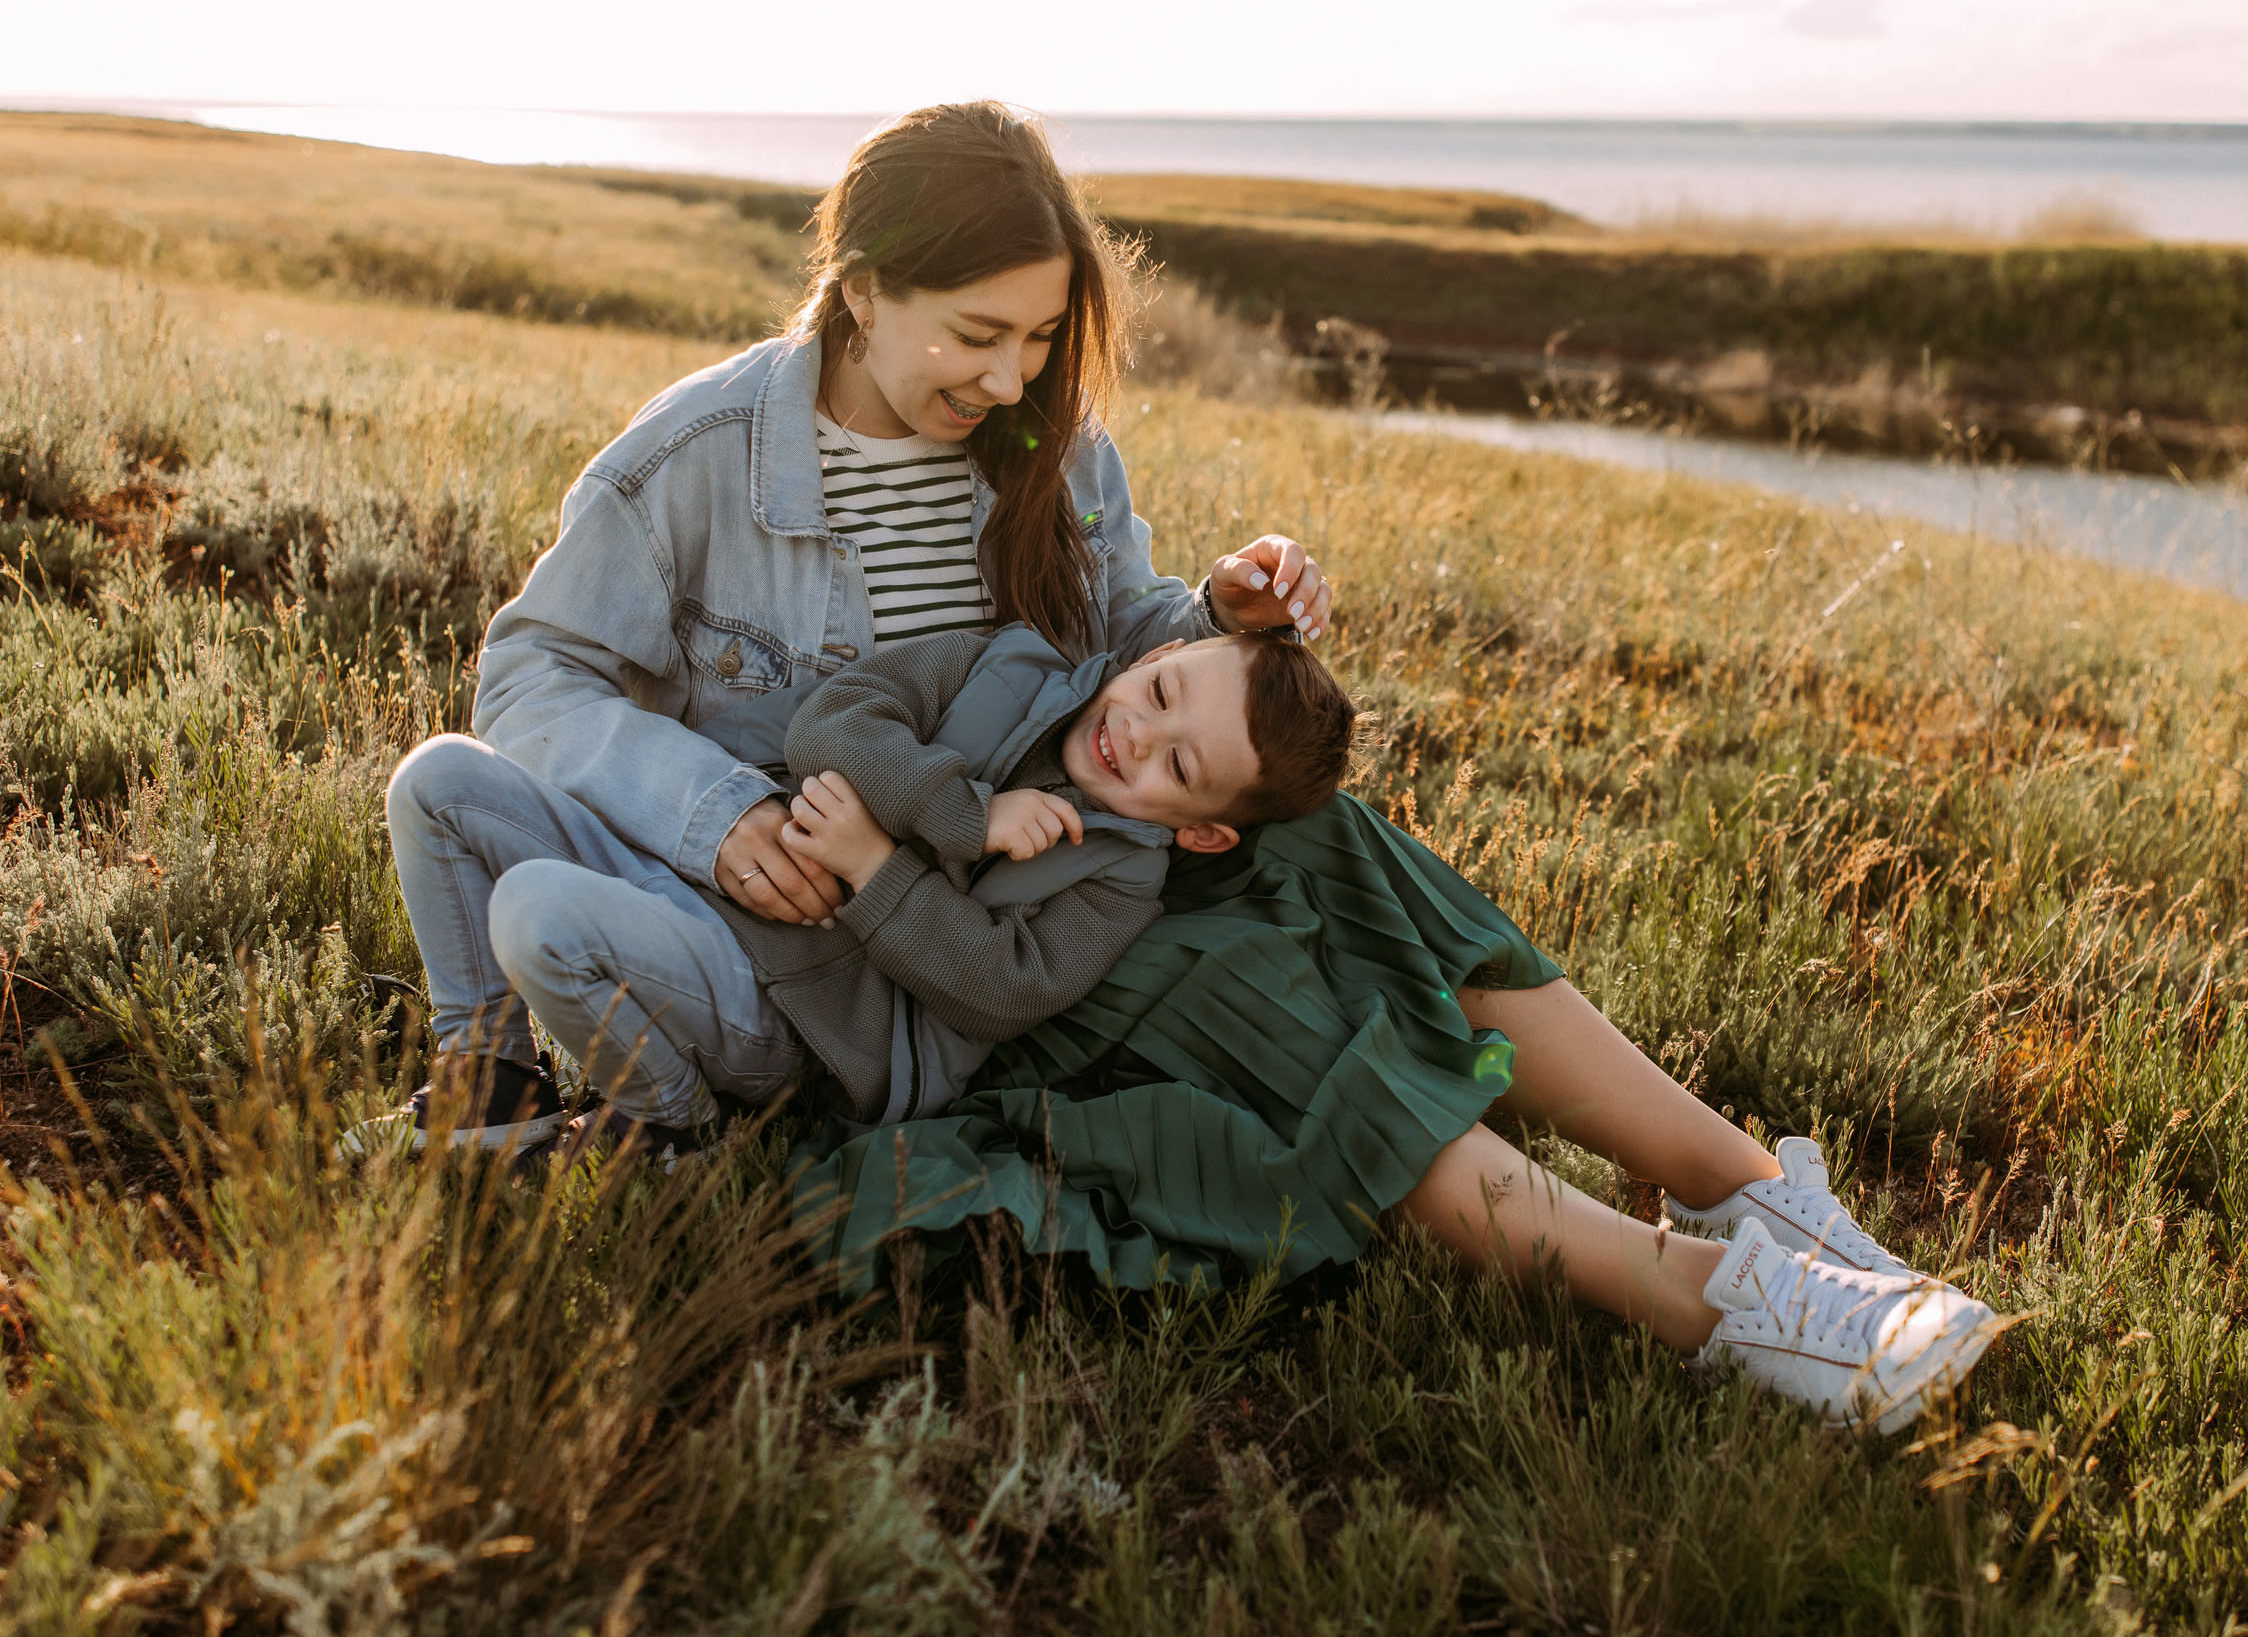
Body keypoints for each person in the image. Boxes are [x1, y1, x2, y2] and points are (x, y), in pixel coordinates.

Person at [399, 99, 1994, 1431]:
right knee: (1255, 996)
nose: (1015, 381)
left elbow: (1124, 639)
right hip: (873, 935)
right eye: (977, 336)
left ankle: (1738, 1192)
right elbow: (532, 673)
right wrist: (720, 807)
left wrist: (1226, 611)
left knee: (1331, 838)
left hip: (1071, 849)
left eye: (1040, 338)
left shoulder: (1052, 441)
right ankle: (1699, 1291)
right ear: (861, 287)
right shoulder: (695, 462)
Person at [350, 622, 1355, 1162]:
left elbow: (999, 990)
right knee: (439, 780)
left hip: (792, 1008)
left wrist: (878, 865)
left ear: (1203, 831)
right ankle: (494, 1081)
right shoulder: (1004, 659)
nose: (1137, 736)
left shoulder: (1120, 877)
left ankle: (669, 1125)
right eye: (1162, 696)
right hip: (698, 880)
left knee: (537, 914)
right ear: (1161, 652)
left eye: (1178, 770)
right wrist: (963, 813)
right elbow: (832, 724)